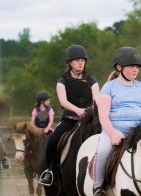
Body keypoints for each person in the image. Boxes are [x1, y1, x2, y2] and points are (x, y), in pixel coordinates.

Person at [92, 46, 141, 196]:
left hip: (139, 133)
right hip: (114, 131)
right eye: (131, 66)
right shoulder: (108, 87)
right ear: (119, 67)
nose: (135, 70)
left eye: (137, 67)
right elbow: (103, 116)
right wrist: (113, 134)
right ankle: (98, 188)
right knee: (102, 151)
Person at [39, 44, 100, 186]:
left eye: (83, 60)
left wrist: (89, 111)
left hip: (89, 119)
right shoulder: (62, 80)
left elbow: (97, 100)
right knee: (52, 140)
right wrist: (78, 111)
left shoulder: (92, 80)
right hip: (69, 119)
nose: (80, 63)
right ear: (69, 62)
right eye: (77, 60)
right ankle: (49, 171)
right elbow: (63, 101)